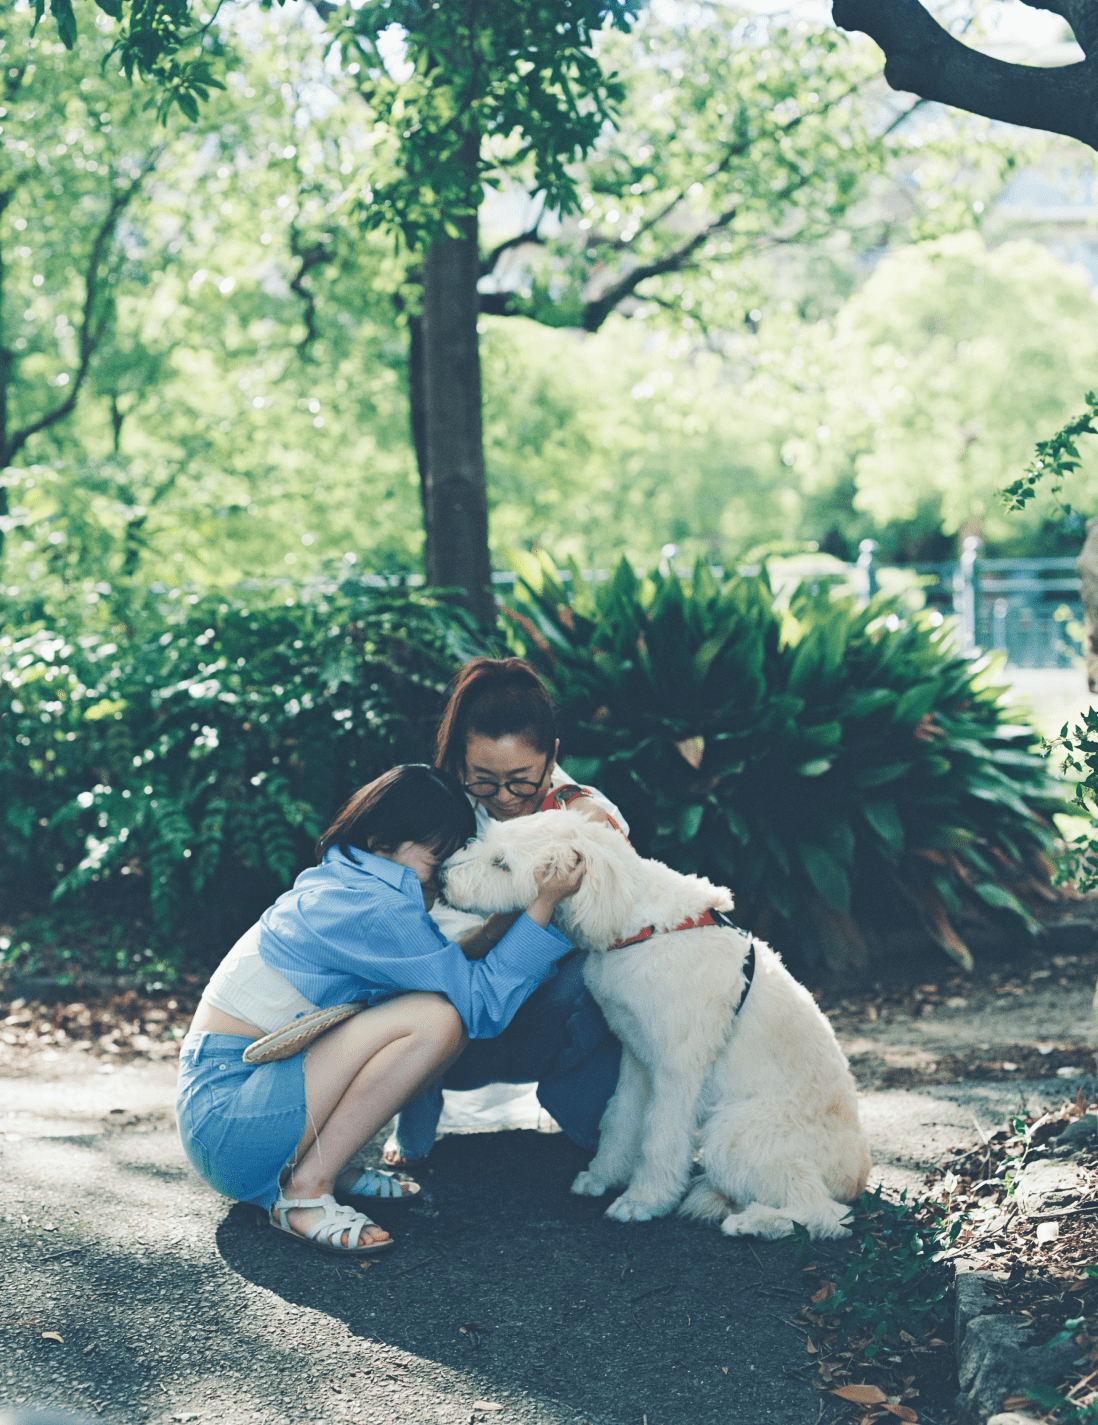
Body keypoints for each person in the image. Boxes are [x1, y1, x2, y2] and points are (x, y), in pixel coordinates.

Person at [176, 763, 585, 1257]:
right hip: (231, 1127)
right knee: (438, 1021)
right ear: (379, 838)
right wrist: (542, 905)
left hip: (229, 1110)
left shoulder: (349, 880)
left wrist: (509, 917)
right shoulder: (374, 908)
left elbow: (446, 972)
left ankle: (315, 1159)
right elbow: (477, 1005)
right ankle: (304, 1194)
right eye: (438, 853)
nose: (446, 868)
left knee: (431, 1010)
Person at [385, 657, 627, 1167]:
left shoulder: (584, 817)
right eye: (484, 782)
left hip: (543, 1016)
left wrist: (585, 840)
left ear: (552, 756)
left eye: (521, 781)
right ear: (457, 762)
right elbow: (420, 948)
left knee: (610, 971)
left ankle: (599, 1129)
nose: (504, 800)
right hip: (452, 1016)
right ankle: (413, 1124)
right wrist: (508, 925)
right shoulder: (434, 817)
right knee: (413, 973)